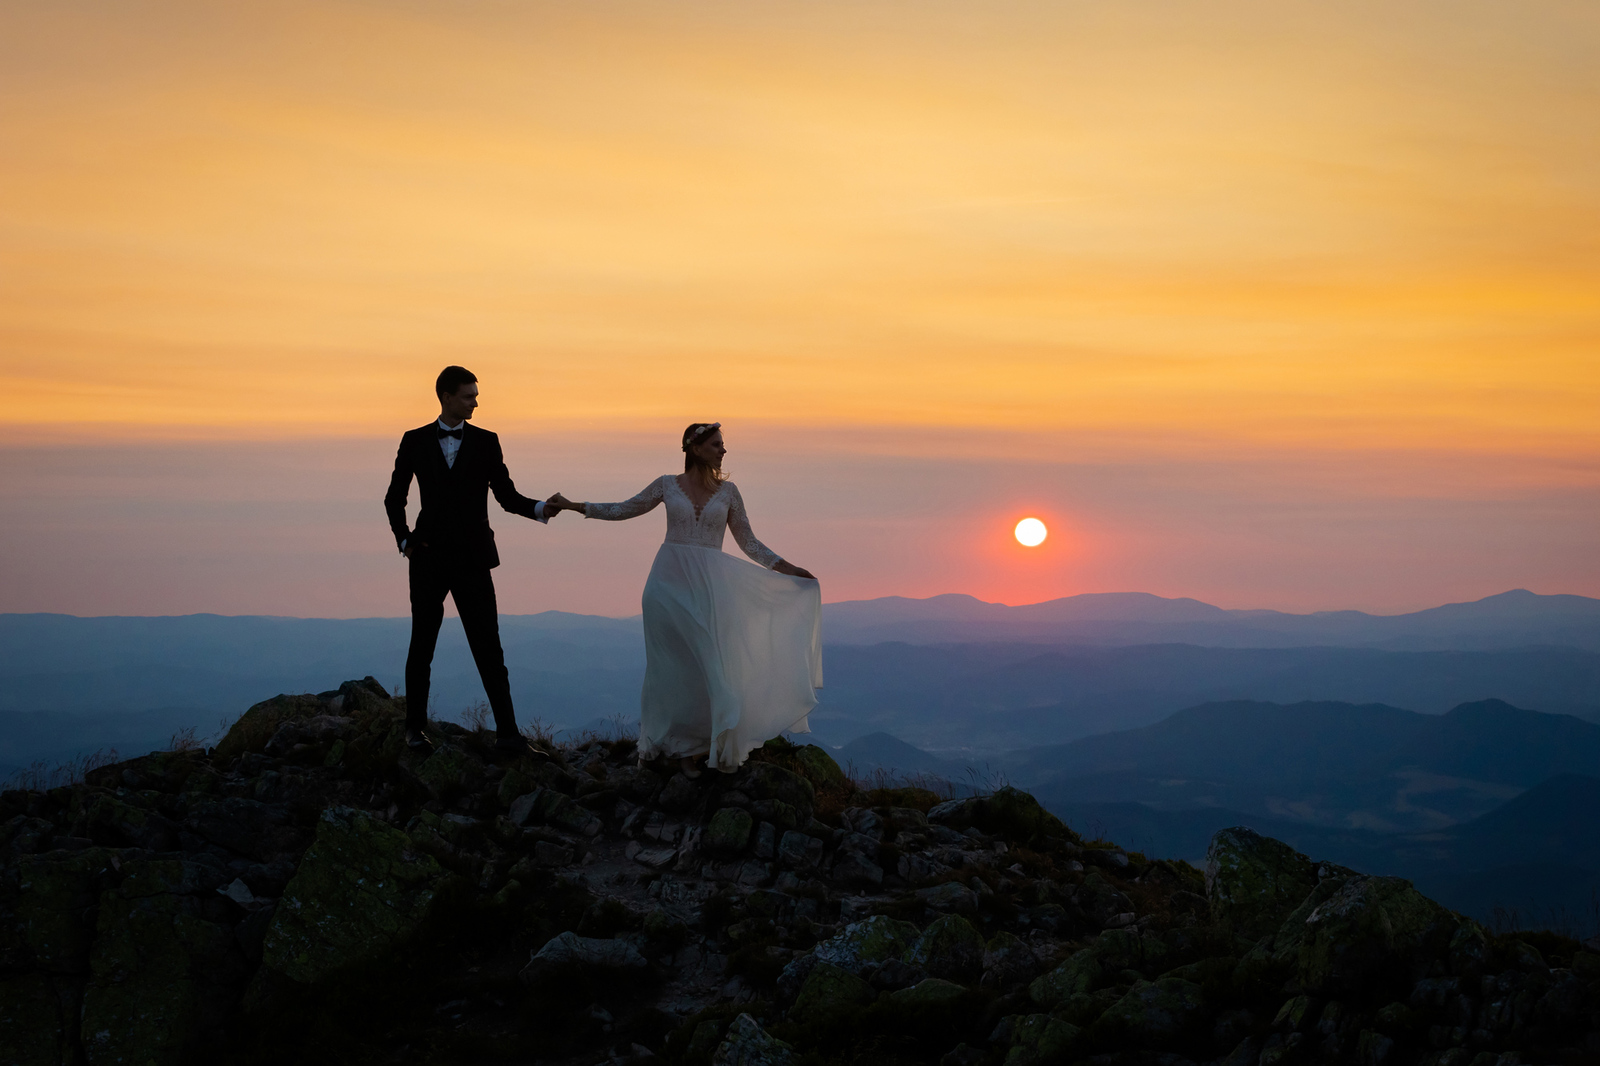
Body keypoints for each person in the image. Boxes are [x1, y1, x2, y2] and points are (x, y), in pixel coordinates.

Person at [547, 423, 822, 775]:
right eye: (716, 444)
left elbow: (748, 542)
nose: (723, 450)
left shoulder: (729, 493)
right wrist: (574, 505)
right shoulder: (666, 484)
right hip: (666, 586)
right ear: (695, 448)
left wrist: (788, 568)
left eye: (723, 445)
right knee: (670, 671)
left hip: (710, 589)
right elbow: (624, 508)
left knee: (711, 668)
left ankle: (703, 742)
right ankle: (679, 749)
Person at [383, 366, 561, 756]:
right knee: (422, 645)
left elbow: (505, 495)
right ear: (446, 397)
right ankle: (415, 730)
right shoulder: (414, 440)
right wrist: (405, 540)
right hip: (427, 558)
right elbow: (394, 497)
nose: (476, 402)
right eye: (468, 396)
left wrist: (539, 508)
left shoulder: (486, 441)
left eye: (475, 395)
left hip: (473, 559)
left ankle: (509, 735)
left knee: (488, 648)